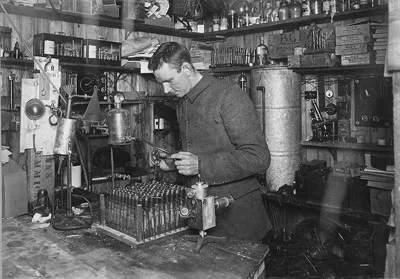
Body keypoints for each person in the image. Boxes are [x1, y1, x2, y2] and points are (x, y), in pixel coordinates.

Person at [148, 42, 272, 242]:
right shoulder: (183, 101)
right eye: (161, 83)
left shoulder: (229, 96)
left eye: (169, 81)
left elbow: (259, 157)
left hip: (238, 222)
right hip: (203, 219)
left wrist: (200, 165)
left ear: (187, 69)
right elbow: (202, 148)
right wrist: (173, 163)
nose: (166, 89)